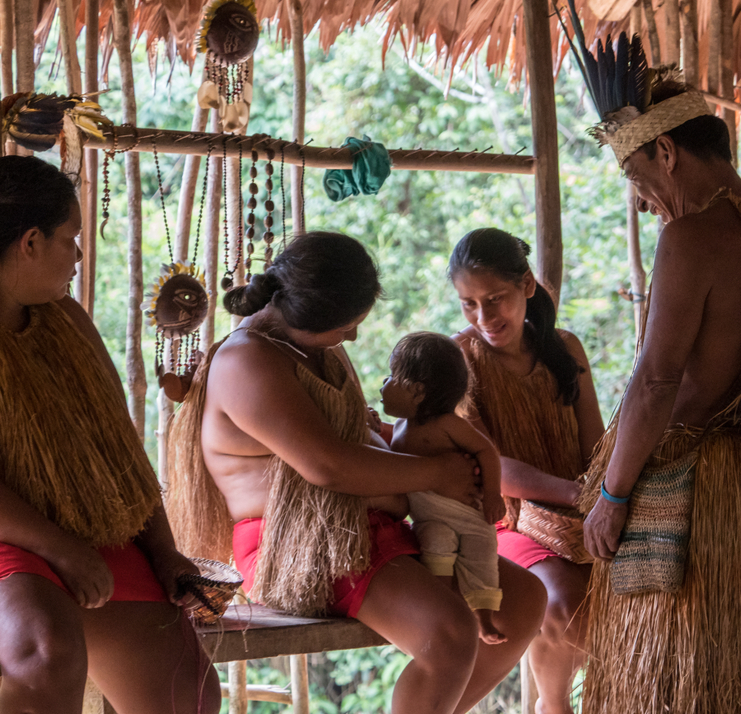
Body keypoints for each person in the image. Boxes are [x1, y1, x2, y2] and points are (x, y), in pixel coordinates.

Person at [165, 231, 546, 714]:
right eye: (347, 327)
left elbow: (356, 438)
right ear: (311, 317)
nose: (353, 336)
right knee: (447, 631)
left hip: (362, 529)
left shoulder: (316, 346)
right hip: (292, 544)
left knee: (524, 599)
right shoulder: (247, 360)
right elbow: (328, 466)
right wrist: (434, 473)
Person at [575, 67, 741, 710]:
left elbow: (657, 379)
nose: (639, 199)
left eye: (635, 176)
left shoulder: (691, 237)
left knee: (676, 684)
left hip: (688, 494)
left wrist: (611, 492)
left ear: (667, 152)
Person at [0, 156, 220, 714]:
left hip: (86, 529)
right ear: (30, 242)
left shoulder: (67, 319)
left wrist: (164, 549)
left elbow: (118, 446)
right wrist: (62, 550)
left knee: (188, 694)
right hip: (16, 537)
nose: (78, 255)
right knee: (45, 653)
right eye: (71, 239)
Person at [448, 228, 605, 714]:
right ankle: (553, 707)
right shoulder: (460, 360)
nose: (484, 317)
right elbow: (487, 466)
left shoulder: (566, 348)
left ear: (528, 287)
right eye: (469, 303)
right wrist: (573, 494)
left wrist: (602, 498)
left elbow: (594, 444)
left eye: (495, 299)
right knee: (563, 605)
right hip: (504, 520)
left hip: (580, 513)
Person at [381, 331, 506, 645]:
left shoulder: (449, 424)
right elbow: (389, 457)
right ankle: (442, 606)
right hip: (430, 517)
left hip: (469, 512)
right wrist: (372, 429)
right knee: (435, 544)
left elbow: (487, 451)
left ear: (417, 392)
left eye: (391, 377)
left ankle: (483, 619)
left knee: (481, 557)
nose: (383, 384)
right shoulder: (398, 427)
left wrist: (492, 493)